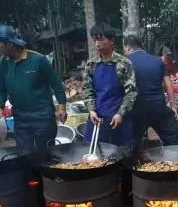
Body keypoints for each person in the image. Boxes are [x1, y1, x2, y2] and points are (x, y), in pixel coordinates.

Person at [0, 25, 67, 154]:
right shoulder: (3, 63)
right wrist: (1, 107)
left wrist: (62, 107)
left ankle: (48, 174)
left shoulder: (38, 59)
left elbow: (56, 84)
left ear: (9, 44)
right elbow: (1, 87)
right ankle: (31, 175)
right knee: (25, 154)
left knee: (46, 153)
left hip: (42, 115)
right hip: (20, 116)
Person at [82, 23, 137, 146]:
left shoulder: (124, 63)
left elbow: (131, 92)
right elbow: (87, 89)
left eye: (101, 39)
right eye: (95, 39)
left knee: (121, 155)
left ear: (112, 40)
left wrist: (120, 114)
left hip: (118, 117)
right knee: (92, 154)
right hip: (97, 117)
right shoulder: (91, 64)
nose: (97, 43)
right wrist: (91, 110)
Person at [123, 35, 178, 145]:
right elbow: (168, 85)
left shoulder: (125, 62)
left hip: (136, 110)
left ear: (128, 47)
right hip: (158, 107)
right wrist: (173, 106)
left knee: (131, 144)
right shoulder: (158, 61)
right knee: (173, 141)